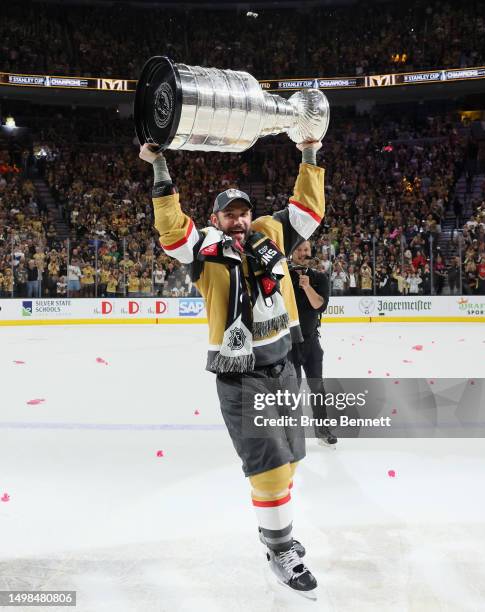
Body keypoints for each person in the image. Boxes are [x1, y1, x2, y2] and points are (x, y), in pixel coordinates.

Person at [140, 138, 325, 599]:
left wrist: (309, 153)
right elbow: (171, 231)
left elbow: (308, 211)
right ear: (216, 219)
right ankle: (281, 548)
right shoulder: (204, 248)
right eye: (229, 214)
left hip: (284, 366)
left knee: (291, 458)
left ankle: (275, 534)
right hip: (242, 377)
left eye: (243, 212)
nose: (239, 220)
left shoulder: (271, 232)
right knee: (270, 466)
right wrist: (160, 165)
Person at [289, 240, 337, 447]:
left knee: (317, 387)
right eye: (298, 249)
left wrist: (307, 286)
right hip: (287, 344)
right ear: (292, 253)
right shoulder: (281, 277)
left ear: (311, 253)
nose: (302, 253)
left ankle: (322, 430)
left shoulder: (319, 278)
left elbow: (320, 306)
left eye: (306, 250)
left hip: (311, 342)